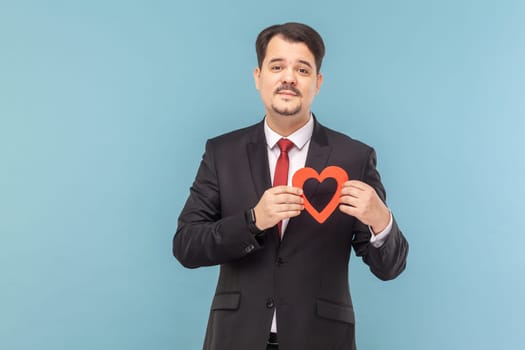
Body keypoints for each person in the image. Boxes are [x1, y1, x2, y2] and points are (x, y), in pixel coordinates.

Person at [173, 22, 408, 350]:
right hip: (235, 339)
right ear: (258, 77)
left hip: (322, 340)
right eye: (277, 66)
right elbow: (186, 246)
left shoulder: (354, 158)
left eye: (302, 69)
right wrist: (253, 220)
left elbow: (390, 267)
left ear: (318, 82)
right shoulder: (222, 153)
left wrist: (381, 221)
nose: (288, 78)